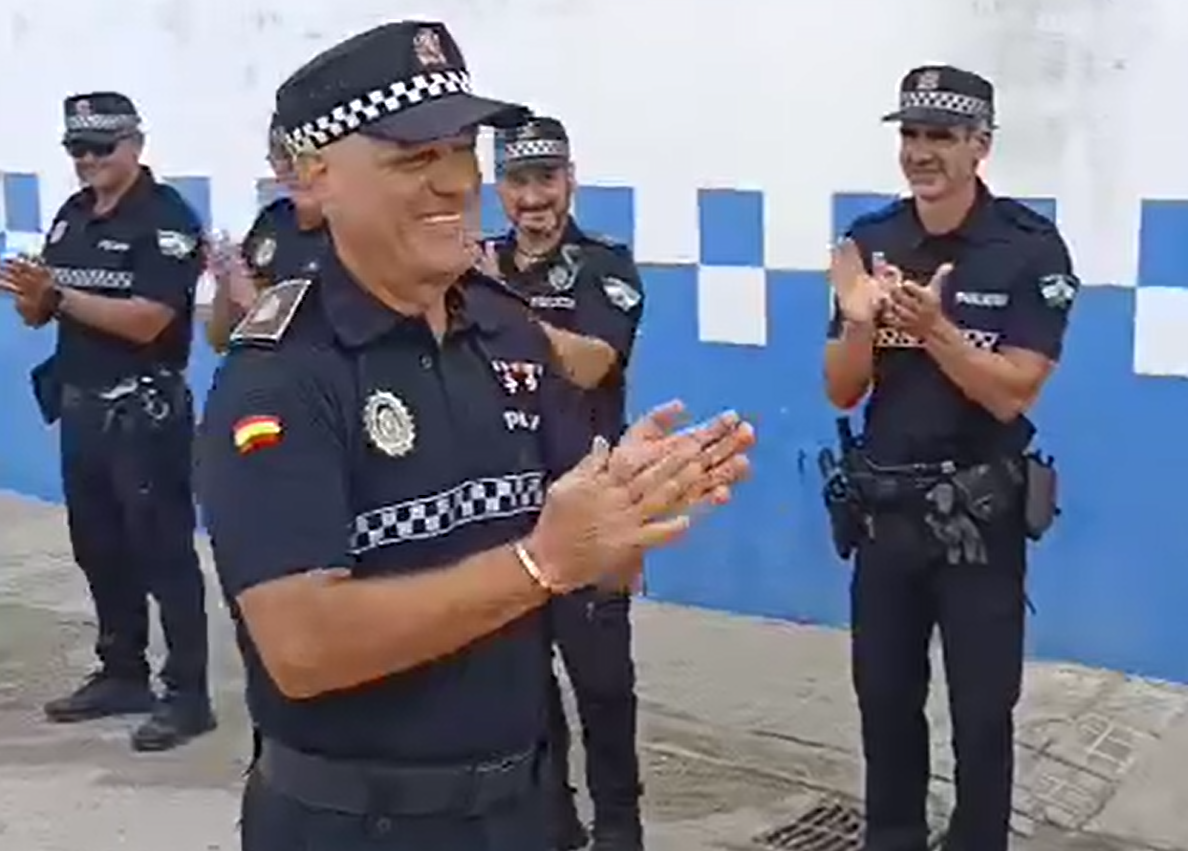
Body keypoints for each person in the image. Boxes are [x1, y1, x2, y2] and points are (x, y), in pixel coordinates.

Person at [196, 19, 755, 851]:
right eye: (412, 158)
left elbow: (581, 540)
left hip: (522, 803)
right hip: (358, 824)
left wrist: (622, 512)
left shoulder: (505, 331)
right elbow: (302, 644)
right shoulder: (281, 373)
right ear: (316, 179)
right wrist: (541, 563)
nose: (454, 183)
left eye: (460, 151)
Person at [821, 65, 1077, 851]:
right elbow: (840, 390)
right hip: (887, 518)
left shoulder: (1029, 248)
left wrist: (934, 328)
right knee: (886, 701)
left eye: (940, 135)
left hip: (978, 521)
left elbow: (1012, 394)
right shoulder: (870, 241)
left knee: (980, 710)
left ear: (980, 146)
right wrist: (861, 321)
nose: (921, 151)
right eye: (911, 134)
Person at [0, 92, 216, 752]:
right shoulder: (70, 218)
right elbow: (46, 314)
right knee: (98, 547)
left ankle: (188, 694)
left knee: (163, 552)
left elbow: (152, 317)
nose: (88, 160)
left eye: (102, 147)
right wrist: (36, 301)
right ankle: (123, 671)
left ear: (136, 145)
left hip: (144, 411)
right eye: (77, 149)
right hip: (83, 405)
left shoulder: (167, 219)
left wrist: (59, 295)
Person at [483, 115, 646, 851]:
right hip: (499, 512)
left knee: (603, 684)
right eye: (518, 181)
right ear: (500, 189)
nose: (533, 198)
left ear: (570, 180)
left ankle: (620, 825)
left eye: (546, 179)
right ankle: (552, 823)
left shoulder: (603, 267)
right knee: (522, 688)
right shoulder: (474, 265)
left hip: (590, 511)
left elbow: (590, 364)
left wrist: (499, 306)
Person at [204, 113, 326, 352]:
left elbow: (322, 344)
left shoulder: (354, 229)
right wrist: (227, 283)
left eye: (300, 154)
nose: (289, 166)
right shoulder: (275, 220)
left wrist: (254, 305)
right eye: (280, 156)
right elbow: (220, 339)